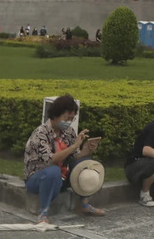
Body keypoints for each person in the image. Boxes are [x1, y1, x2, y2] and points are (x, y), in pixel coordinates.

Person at [23, 93, 104, 224]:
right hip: (38, 178)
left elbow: (74, 157)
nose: (68, 122)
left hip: (61, 175)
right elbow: (51, 160)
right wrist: (75, 146)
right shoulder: (41, 133)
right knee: (53, 171)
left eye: (71, 119)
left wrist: (86, 151)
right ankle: (43, 213)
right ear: (55, 115)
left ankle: (85, 204)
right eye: (66, 118)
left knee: (87, 164)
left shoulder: (69, 132)